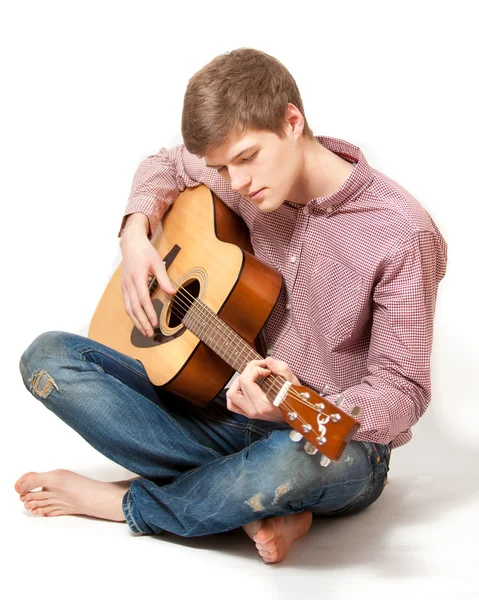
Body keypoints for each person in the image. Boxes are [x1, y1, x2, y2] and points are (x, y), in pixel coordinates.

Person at [15, 48, 447, 564]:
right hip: (225, 409)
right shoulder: (238, 174)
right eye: (222, 166)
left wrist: (293, 407)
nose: (235, 181)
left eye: (245, 158)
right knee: (48, 358)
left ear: (292, 121)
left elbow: (404, 388)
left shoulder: (402, 231)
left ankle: (129, 502)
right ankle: (261, 504)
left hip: (330, 442)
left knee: (291, 462)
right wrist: (134, 231)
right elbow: (165, 162)